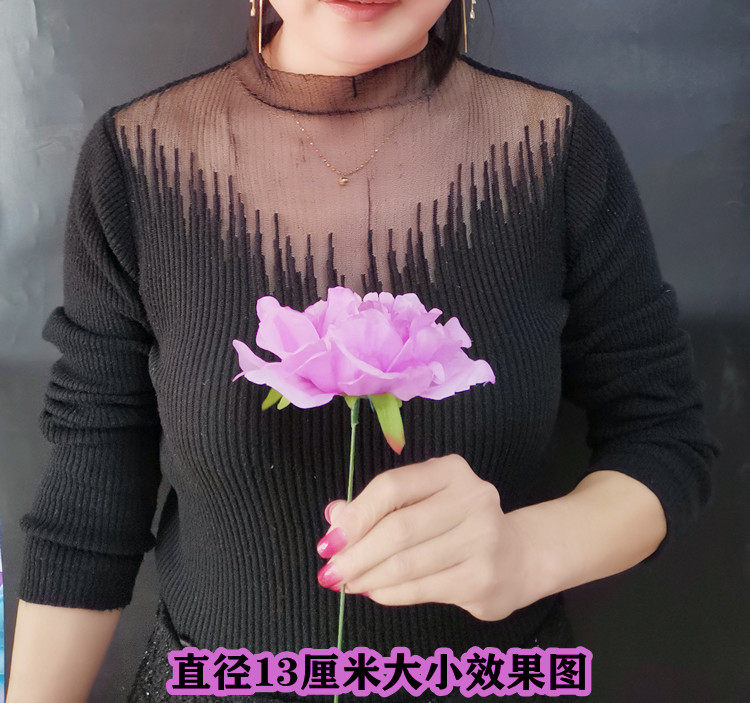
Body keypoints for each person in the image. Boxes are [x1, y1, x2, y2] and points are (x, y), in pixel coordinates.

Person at [7, 1, 721, 701]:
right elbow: (93, 484)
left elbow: (662, 437)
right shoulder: (137, 160)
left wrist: (527, 553)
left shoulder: (556, 149)